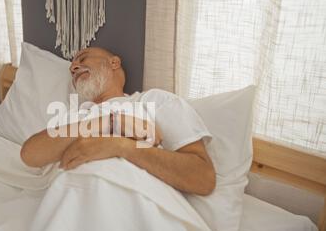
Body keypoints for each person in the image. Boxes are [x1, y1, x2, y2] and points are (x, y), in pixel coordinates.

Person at [21, 47, 216, 196]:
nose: (73, 67)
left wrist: (120, 146)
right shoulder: (75, 115)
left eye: (83, 58)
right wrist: (111, 123)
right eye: (72, 70)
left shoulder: (153, 101)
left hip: (133, 200)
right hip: (71, 197)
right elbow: (30, 154)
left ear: (114, 63)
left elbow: (203, 178)